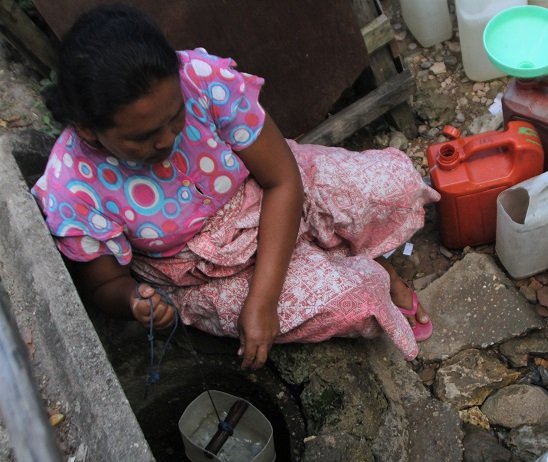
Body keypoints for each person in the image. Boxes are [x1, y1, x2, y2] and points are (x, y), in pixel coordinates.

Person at [32, 5, 439, 369]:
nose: (166, 141)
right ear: (88, 129)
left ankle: (339, 251)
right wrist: (134, 300)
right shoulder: (73, 189)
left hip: (270, 195)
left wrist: (263, 301)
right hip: (204, 271)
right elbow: (104, 284)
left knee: (394, 189)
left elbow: (281, 180)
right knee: (357, 300)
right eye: (142, 138)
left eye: (175, 118)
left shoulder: (201, 79)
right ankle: (355, 261)